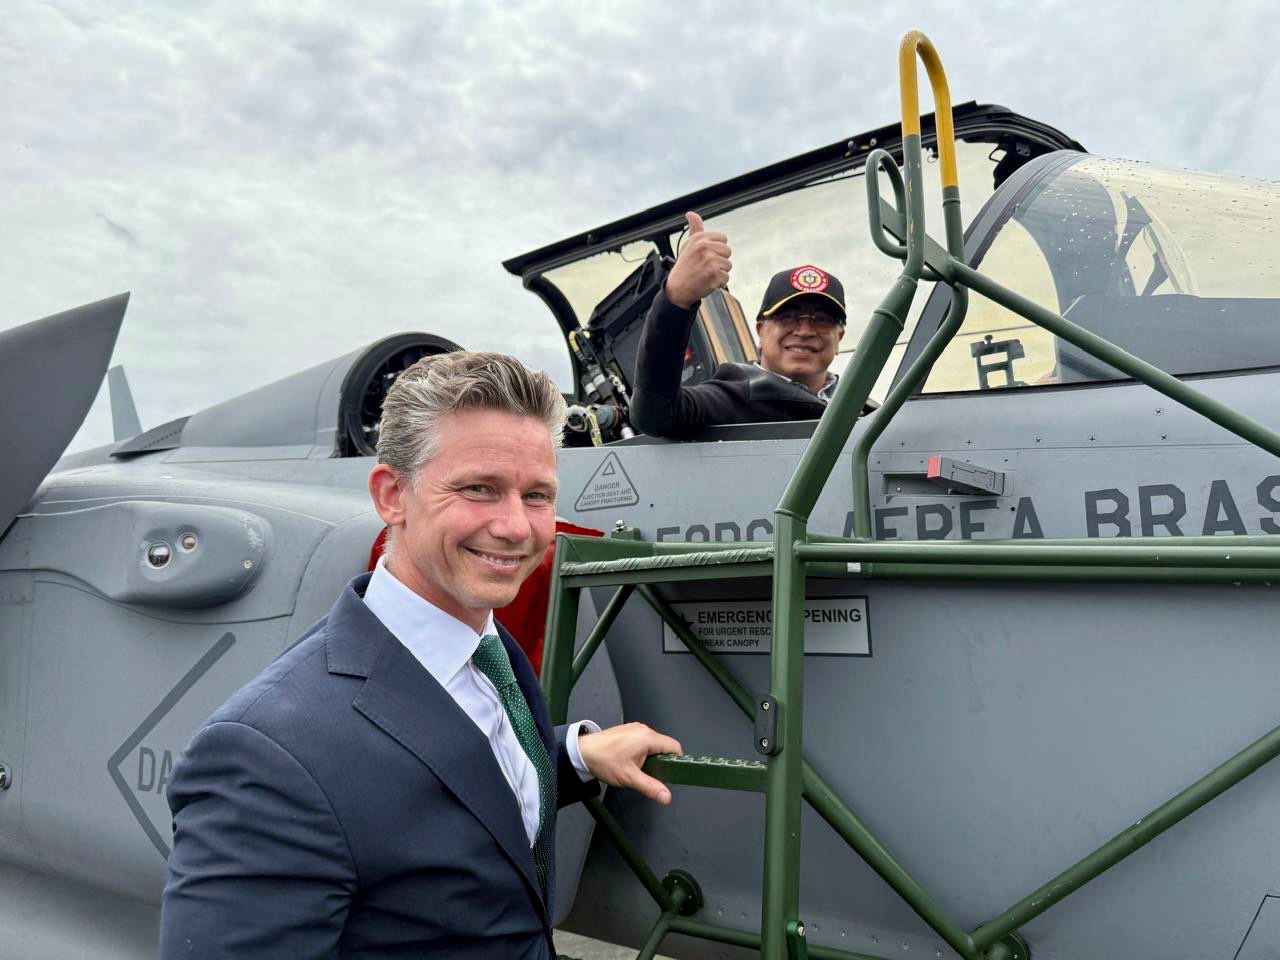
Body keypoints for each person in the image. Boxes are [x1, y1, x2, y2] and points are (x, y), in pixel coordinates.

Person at [160, 351, 682, 959]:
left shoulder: (489, 652)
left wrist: (570, 754)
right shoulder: (268, 757)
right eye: (479, 489)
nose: (517, 527)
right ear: (391, 496)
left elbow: (447, 783)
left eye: (537, 495)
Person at [630, 211, 848, 438]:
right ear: (761, 331)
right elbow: (654, 414)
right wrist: (677, 297)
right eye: (788, 317)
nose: (804, 331)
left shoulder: (867, 412)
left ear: (839, 337)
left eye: (822, 320)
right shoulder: (731, 401)